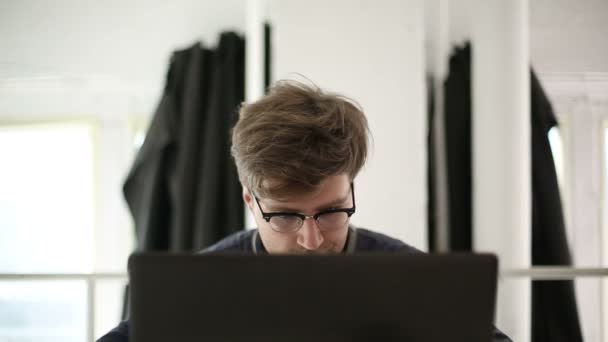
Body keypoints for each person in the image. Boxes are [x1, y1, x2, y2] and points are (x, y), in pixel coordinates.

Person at [98, 80, 512, 341]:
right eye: (284, 216)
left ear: (350, 187)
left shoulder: (415, 277)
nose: (312, 241)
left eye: (332, 212)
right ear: (249, 200)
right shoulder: (194, 286)